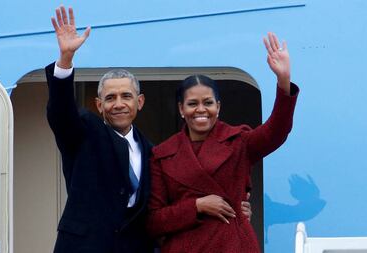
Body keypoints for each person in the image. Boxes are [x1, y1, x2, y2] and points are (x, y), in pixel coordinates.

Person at [45, 5, 253, 253]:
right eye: (110, 98)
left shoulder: (155, 152)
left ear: (139, 102)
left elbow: (171, 206)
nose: (119, 104)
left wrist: (236, 208)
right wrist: (65, 60)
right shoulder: (83, 132)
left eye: (126, 96)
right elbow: (61, 114)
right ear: (99, 105)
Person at [146, 32, 299, 253]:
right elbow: (153, 221)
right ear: (181, 109)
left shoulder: (239, 141)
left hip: (232, 245)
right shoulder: (162, 154)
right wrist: (197, 206)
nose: (200, 110)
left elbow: (276, 132)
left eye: (208, 102)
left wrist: (283, 81)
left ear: (218, 107)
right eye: (192, 103)